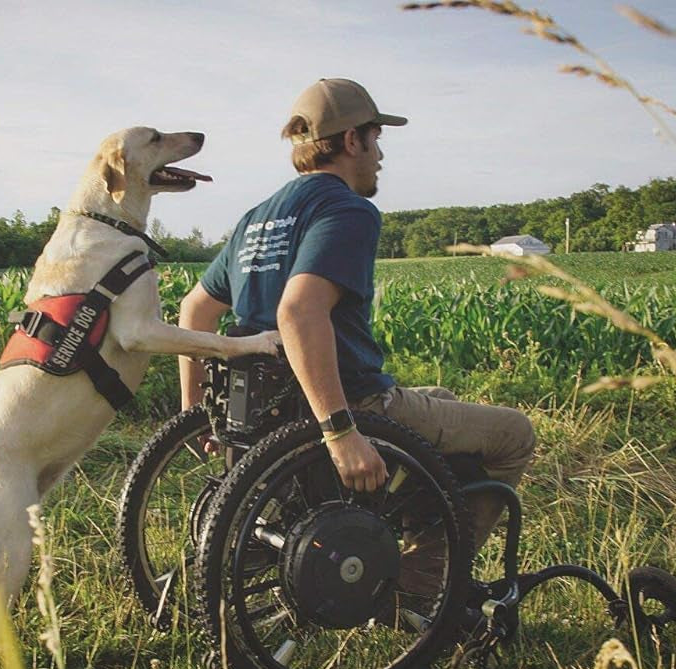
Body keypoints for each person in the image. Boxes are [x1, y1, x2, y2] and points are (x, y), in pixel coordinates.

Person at [178, 78, 535, 573]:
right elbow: (300, 312)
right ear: (352, 141)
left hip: (264, 411)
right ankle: (427, 581)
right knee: (514, 434)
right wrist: (340, 432)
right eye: (376, 138)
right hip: (344, 402)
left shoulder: (256, 219)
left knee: (444, 400)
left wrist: (198, 410)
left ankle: (410, 523)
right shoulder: (347, 209)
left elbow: (195, 313)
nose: (380, 155)